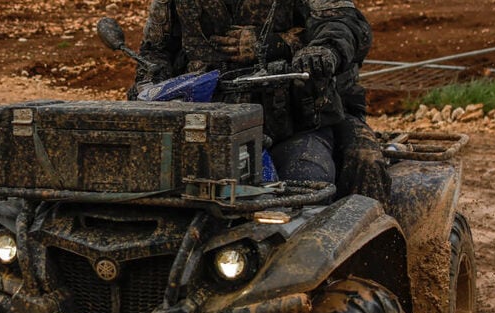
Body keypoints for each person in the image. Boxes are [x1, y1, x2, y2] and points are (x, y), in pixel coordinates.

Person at [132, 0, 391, 201]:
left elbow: (344, 23)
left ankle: (360, 263)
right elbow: (155, 50)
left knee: (332, 175)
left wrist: (310, 49)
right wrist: (147, 84)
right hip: (202, 128)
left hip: (291, 126)